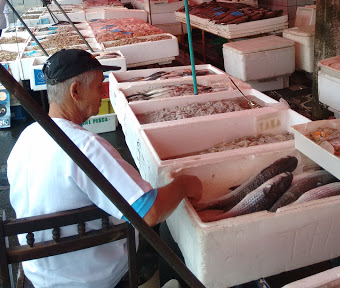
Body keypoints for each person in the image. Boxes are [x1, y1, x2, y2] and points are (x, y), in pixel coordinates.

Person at [7, 49, 202, 288]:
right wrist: (185, 183)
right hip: (91, 277)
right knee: (159, 224)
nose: (104, 93)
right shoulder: (84, 146)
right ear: (75, 90)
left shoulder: (27, 136)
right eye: (99, 86)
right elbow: (149, 212)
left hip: (39, 273)